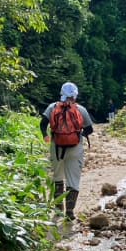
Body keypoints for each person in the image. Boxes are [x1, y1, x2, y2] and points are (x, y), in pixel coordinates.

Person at [40, 82, 94, 221]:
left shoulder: (52, 107)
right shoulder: (80, 109)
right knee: (73, 180)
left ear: (61, 94)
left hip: (56, 147)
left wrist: (46, 136)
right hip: (75, 148)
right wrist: (77, 135)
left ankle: (58, 209)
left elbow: (43, 123)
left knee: (58, 177)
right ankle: (69, 212)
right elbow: (89, 129)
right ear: (75, 95)